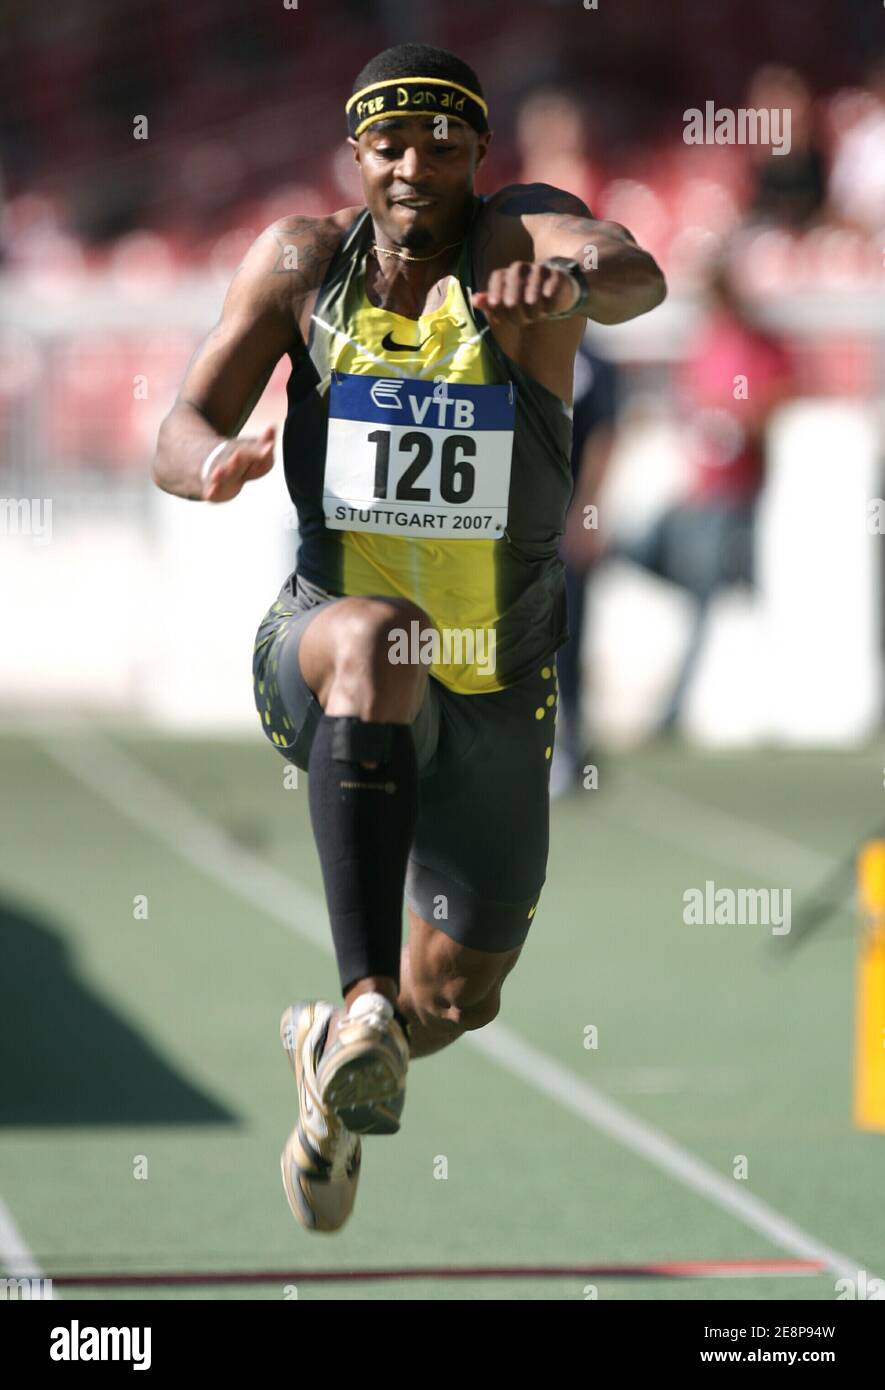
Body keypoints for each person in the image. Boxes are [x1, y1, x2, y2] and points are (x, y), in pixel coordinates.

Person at [151, 42, 665, 1233]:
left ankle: (339, 1056)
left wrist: (576, 286)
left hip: (498, 683)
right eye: (390, 142)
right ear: (356, 153)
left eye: (442, 142)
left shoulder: (520, 237)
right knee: (388, 639)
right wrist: (209, 467)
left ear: (481, 155)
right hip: (327, 644)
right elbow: (180, 420)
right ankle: (360, 994)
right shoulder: (298, 260)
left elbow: (635, 271)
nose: (414, 164)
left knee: (462, 1001)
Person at [613, 256, 792, 734]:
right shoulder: (705, 345)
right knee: (630, 549)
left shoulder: (754, 348)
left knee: (710, 600)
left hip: (732, 499)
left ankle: (677, 710)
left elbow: (762, 413)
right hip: (698, 496)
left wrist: (737, 418)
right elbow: (693, 414)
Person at [551, 338, 619, 796]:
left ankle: (568, 743)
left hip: (562, 520)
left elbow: (603, 434)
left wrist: (587, 511)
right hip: (515, 517)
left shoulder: (591, 361)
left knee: (568, 635)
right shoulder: (509, 340)